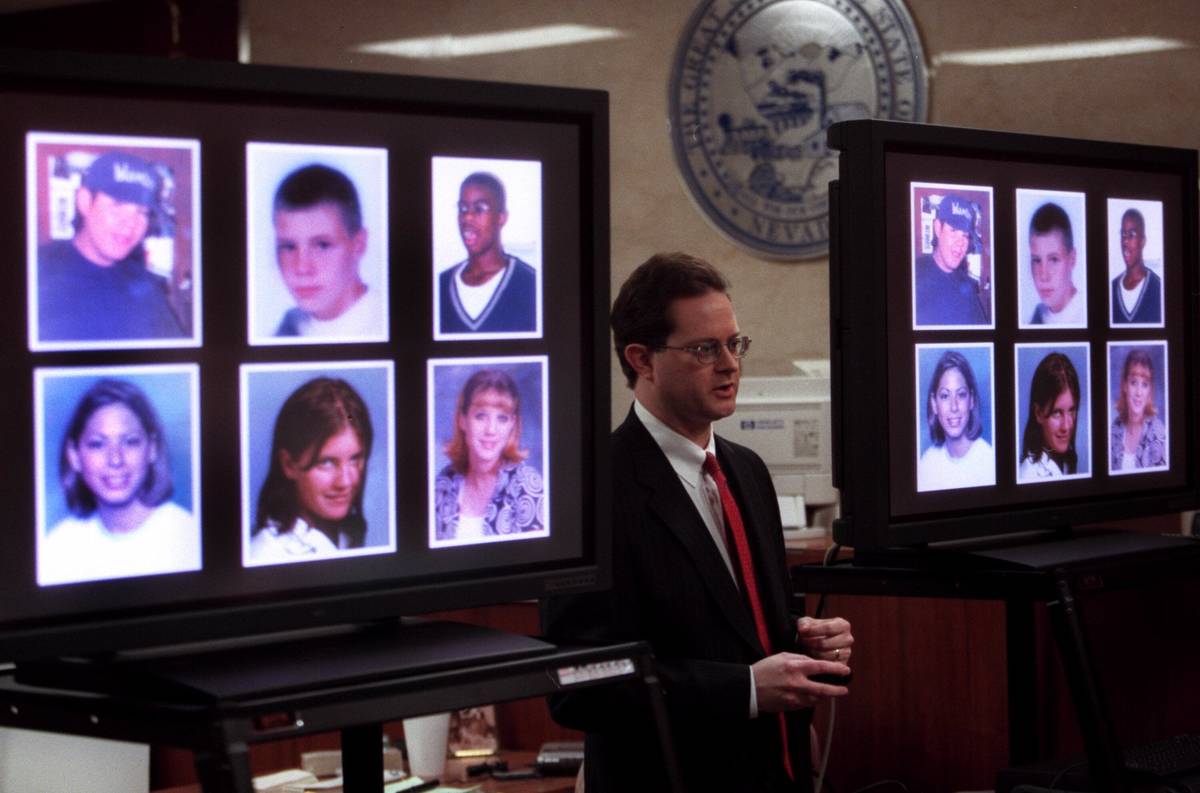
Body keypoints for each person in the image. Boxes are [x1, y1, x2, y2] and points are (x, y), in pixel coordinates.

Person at [543, 252, 853, 793]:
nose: (731, 364)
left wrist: (808, 644)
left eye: (735, 344)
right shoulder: (593, 493)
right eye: (705, 349)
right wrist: (746, 689)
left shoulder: (748, 470)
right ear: (642, 359)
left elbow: (743, 631)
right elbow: (579, 686)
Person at [39, 379, 199, 586]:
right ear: (74, 456)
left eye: (130, 441)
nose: (115, 459)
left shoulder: (187, 535)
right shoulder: (58, 547)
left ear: (152, 448)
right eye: (98, 444)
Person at [37, 150, 185, 342]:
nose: (130, 223)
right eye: (117, 205)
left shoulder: (145, 285)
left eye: (142, 212)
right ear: (84, 202)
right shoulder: (36, 273)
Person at [250, 377, 372, 561]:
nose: (345, 481)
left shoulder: (348, 536)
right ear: (288, 464)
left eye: (355, 459)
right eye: (327, 463)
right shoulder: (265, 555)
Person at [271, 164, 382, 338]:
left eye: (322, 245)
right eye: (289, 247)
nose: (302, 268)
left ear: (359, 244)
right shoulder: (287, 328)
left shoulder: (384, 324)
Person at [433, 369, 545, 543]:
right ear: (462, 419)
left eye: (502, 418)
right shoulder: (443, 483)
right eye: (481, 416)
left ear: (512, 424)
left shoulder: (528, 487)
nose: (491, 430)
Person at [438, 172, 537, 334]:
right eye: (463, 208)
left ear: (501, 218)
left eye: (479, 208)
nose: (467, 217)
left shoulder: (530, 284)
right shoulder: (441, 284)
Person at [916, 350, 995, 491]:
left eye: (961, 395)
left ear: (971, 400)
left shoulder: (990, 461)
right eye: (945, 396)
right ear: (934, 404)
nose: (954, 407)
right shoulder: (927, 464)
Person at [914, 193, 988, 326]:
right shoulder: (914, 276)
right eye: (953, 231)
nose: (960, 243)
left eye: (965, 236)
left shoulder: (968, 286)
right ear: (938, 228)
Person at [1018, 352, 1081, 480]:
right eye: (1056, 413)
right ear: (1038, 413)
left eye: (1071, 411)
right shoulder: (1028, 475)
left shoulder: (1064, 463)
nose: (1067, 426)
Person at [1110, 348, 1166, 471]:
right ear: (1125, 385)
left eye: (1145, 384)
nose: (1139, 393)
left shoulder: (1160, 434)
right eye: (1133, 383)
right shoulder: (1114, 430)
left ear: (1150, 390)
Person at [1028, 202, 1084, 325]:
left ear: (1072, 259)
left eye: (1053, 260)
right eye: (1037, 260)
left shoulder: (1086, 313)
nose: (1043, 276)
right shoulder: (1037, 316)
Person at [1110, 208, 1162, 325]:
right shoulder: (1112, 288)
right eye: (1123, 235)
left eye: (1131, 235)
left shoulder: (1158, 288)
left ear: (1142, 241)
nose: (1125, 241)